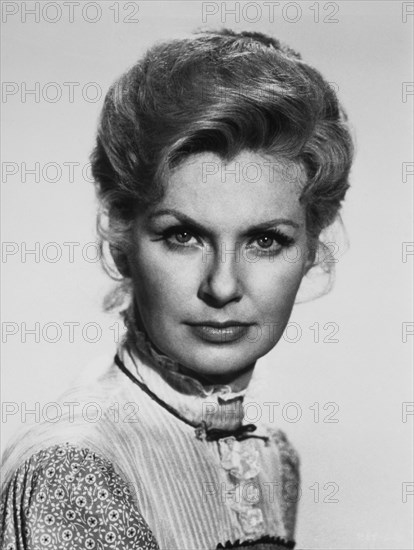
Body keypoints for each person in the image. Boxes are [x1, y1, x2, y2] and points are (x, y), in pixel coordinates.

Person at [0, 28, 353, 550]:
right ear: (122, 239)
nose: (223, 285)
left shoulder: (271, 458)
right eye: (183, 236)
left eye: (265, 240)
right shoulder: (78, 467)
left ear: (310, 249)